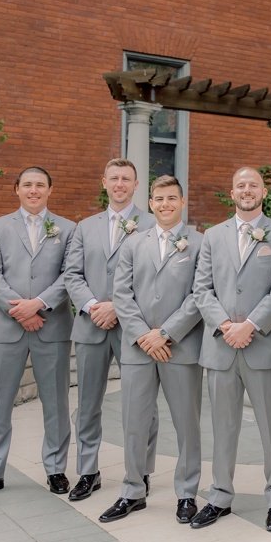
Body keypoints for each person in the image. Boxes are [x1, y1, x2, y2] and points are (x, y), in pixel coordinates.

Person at [0, 167, 76, 502]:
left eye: (40, 185)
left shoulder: (68, 229)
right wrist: (20, 311)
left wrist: (38, 305)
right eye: (27, 185)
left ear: (50, 190)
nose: (33, 190)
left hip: (51, 326)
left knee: (56, 403)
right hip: (4, 328)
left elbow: (70, 274)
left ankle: (56, 469)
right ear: (17, 189)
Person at [190, 166, 271, 531]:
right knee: (222, 426)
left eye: (253, 185)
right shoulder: (212, 236)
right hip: (221, 346)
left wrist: (249, 326)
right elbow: (201, 288)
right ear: (232, 193)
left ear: (263, 192)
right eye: (240, 185)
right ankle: (219, 496)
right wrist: (225, 326)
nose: (247, 190)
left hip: (263, 345)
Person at [101, 175, 205, 524]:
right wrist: (144, 335)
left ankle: (187, 493)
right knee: (134, 421)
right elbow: (121, 294)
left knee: (186, 423)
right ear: (150, 203)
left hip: (180, 347)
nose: (165, 204)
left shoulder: (199, 243)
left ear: (182, 201)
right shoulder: (133, 243)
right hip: (138, 348)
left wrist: (167, 333)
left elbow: (200, 294)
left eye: (171, 198)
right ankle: (132, 490)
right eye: (159, 199)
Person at [61, 158, 155, 501]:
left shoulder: (151, 224)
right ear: (104, 182)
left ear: (136, 184)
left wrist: (118, 306)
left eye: (126, 179)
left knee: (142, 404)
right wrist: (92, 306)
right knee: (87, 404)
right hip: (91, 325)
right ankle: (88, 471)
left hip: (134, 328)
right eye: (114, 178)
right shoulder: (84, 227)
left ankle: (140, 471)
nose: (119, 184)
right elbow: (72, 274)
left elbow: (153, 277)